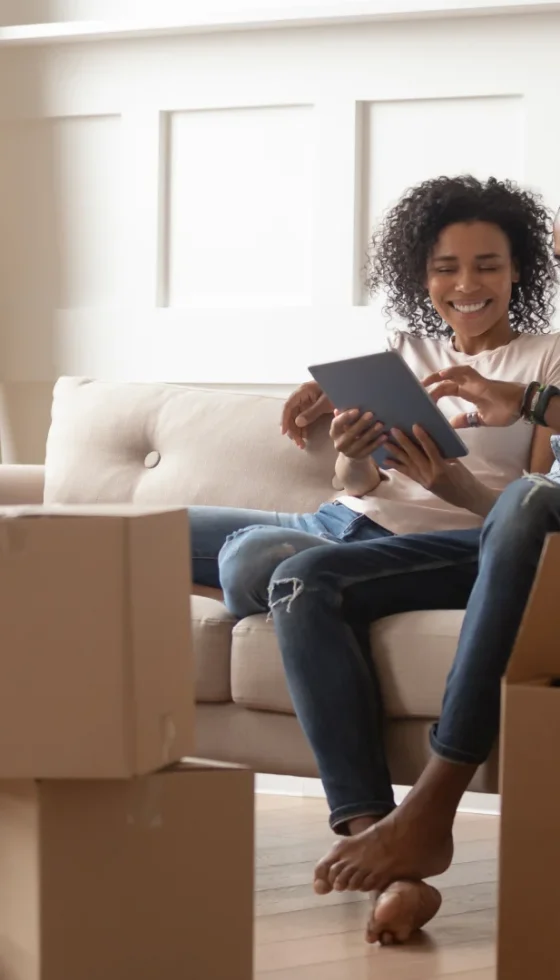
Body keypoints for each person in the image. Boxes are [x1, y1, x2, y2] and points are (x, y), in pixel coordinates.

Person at [187, 175, 560, 941]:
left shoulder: (546, 366)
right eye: (446, 267)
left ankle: (380, 839)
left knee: (279, 571)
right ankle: (383, 838)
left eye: (488, 264)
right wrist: (352, 460)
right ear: (421, 276)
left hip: (447, 540)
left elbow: (527, 527)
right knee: (162, 533)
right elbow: (357, 485)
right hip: (349, 522)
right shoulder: (398, 350)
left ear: (520, 267)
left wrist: (450, 480)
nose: (466, 285)